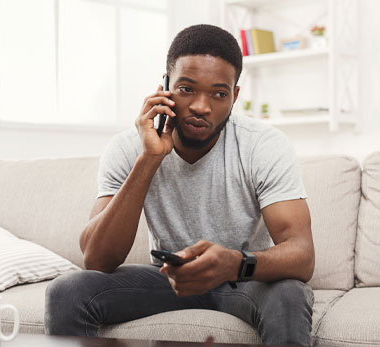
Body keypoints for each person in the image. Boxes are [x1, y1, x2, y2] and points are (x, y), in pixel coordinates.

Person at [45, 24, 315, 346]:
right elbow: (97, 259)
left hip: (240, 279)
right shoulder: (128, 148)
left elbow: (302, 255)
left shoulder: (263, 145)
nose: (202, 106)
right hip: (166, 279)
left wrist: (234, 263)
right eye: (187, 89)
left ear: (235, 96)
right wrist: (148, 159)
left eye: (219, 93)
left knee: (289, 293)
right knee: (67, 291)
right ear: (165, 85)